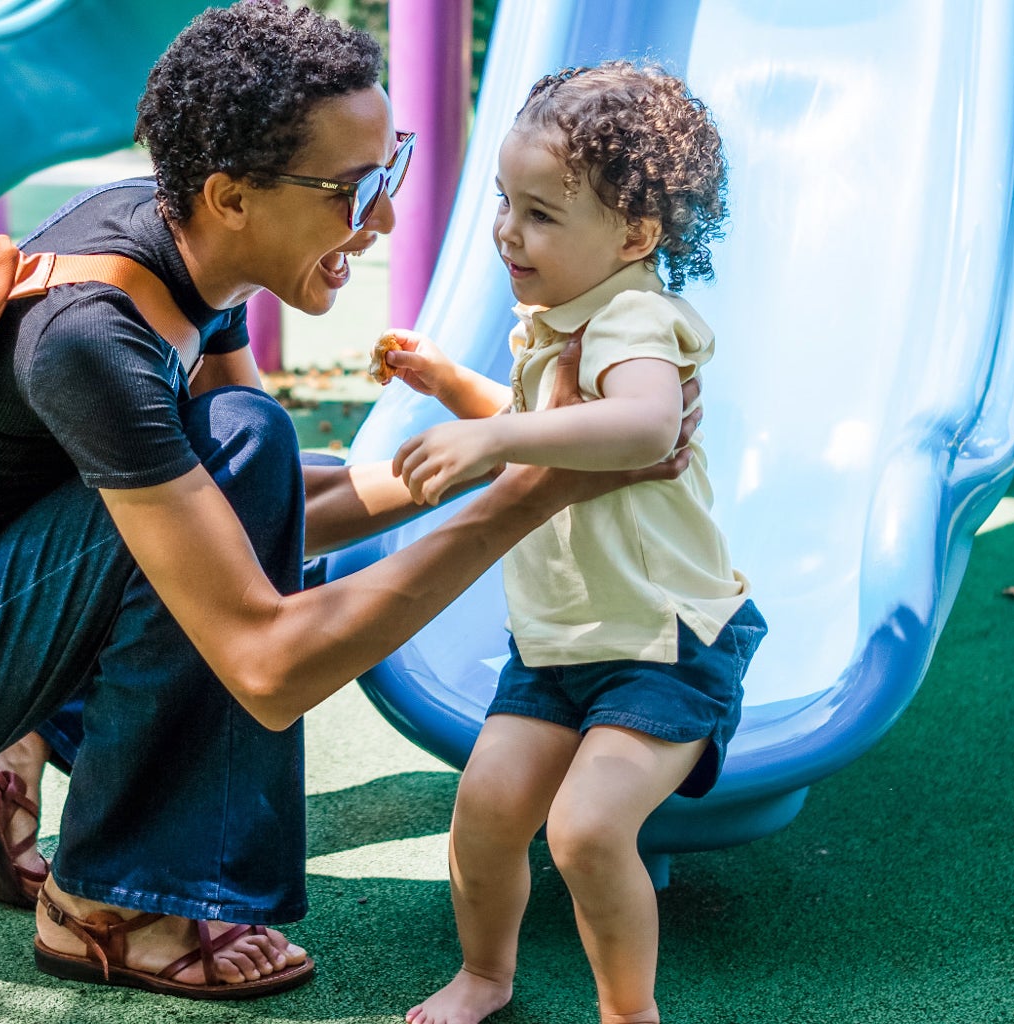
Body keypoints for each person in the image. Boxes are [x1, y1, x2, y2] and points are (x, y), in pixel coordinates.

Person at [0, 4, 702, 1003]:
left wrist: (481, 457)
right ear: (228, 197)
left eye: (385, 168)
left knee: (247, 448)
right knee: (240, 461)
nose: (382, 217)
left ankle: (24, 735)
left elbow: (263, 500)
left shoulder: (182, 252)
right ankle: (105, 906)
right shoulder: (95, 335)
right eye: (353, 188)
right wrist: (523, 498)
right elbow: (265, 664)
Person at [369, 63, 763, 1024]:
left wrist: (494, 439)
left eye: (542, 213)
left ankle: (631, 1012)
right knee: (487, 814)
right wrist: (452, 387)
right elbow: (531, 414)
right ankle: (485, 976)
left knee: (586, 831)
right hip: (556, 647)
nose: (509, 230)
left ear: (634, 235)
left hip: (664, 645)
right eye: (507, 202)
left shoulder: (635, 318)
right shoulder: (551, 322)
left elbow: (640, 429)